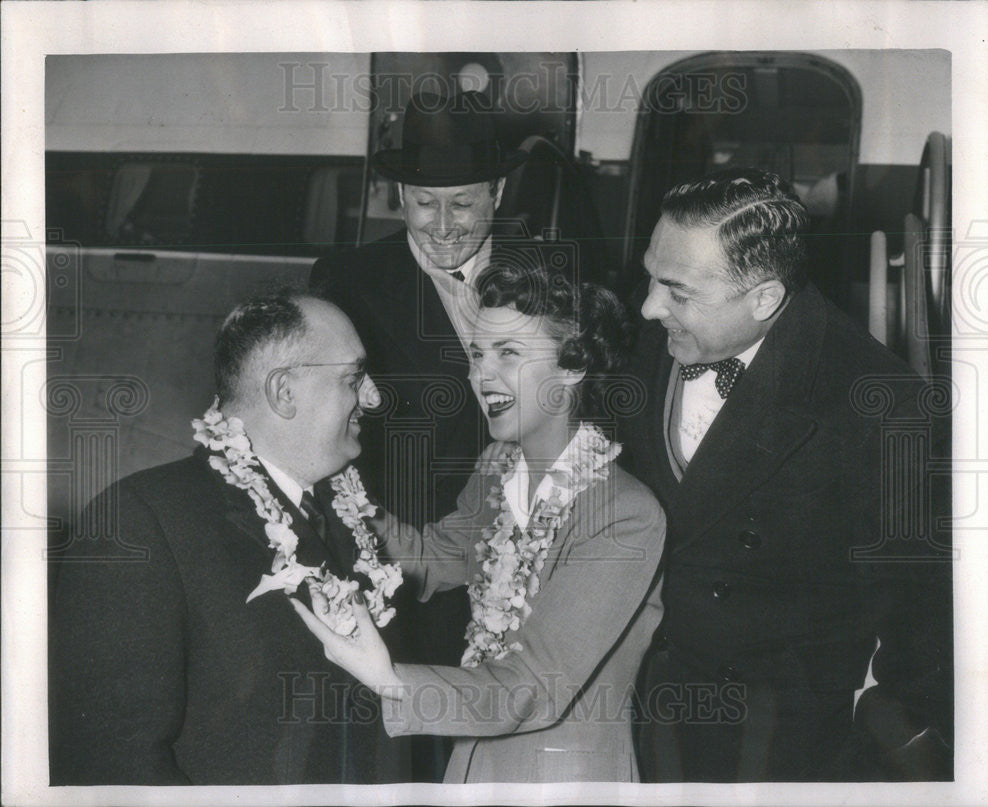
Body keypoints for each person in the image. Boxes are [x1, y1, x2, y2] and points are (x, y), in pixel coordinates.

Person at [620, 168, 953, 781]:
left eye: (677, 291)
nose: (648, 306)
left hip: (777, 731)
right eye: (650, 275)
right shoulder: (648, 341)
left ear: (766, 299)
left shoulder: (882, 405)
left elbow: (923, 617)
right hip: (634, 693)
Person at [292, 258, 667, 783]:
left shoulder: (624, 515)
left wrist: (392, 681)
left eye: (508, 353)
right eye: (476, 353)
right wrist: (335, 485)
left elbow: (534, 684)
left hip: (564, 778)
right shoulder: (498, 468)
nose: (480, 375)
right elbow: (436, 557)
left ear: (573, 365)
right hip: (473, 760)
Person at [49, 290, 410, 785]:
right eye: (353, 378)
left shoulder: (349, 519)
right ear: (284, 392)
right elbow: (113, 759)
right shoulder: (141, 519)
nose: (373, 396)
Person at [309, 89, 529, 779]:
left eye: (462, 202)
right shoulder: (346, 280)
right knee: (413, 755)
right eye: (422, 202)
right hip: (405, 567)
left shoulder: (553, 268)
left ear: (497, 189)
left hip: (530, 558)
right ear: (397, 194)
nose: (441, 225)